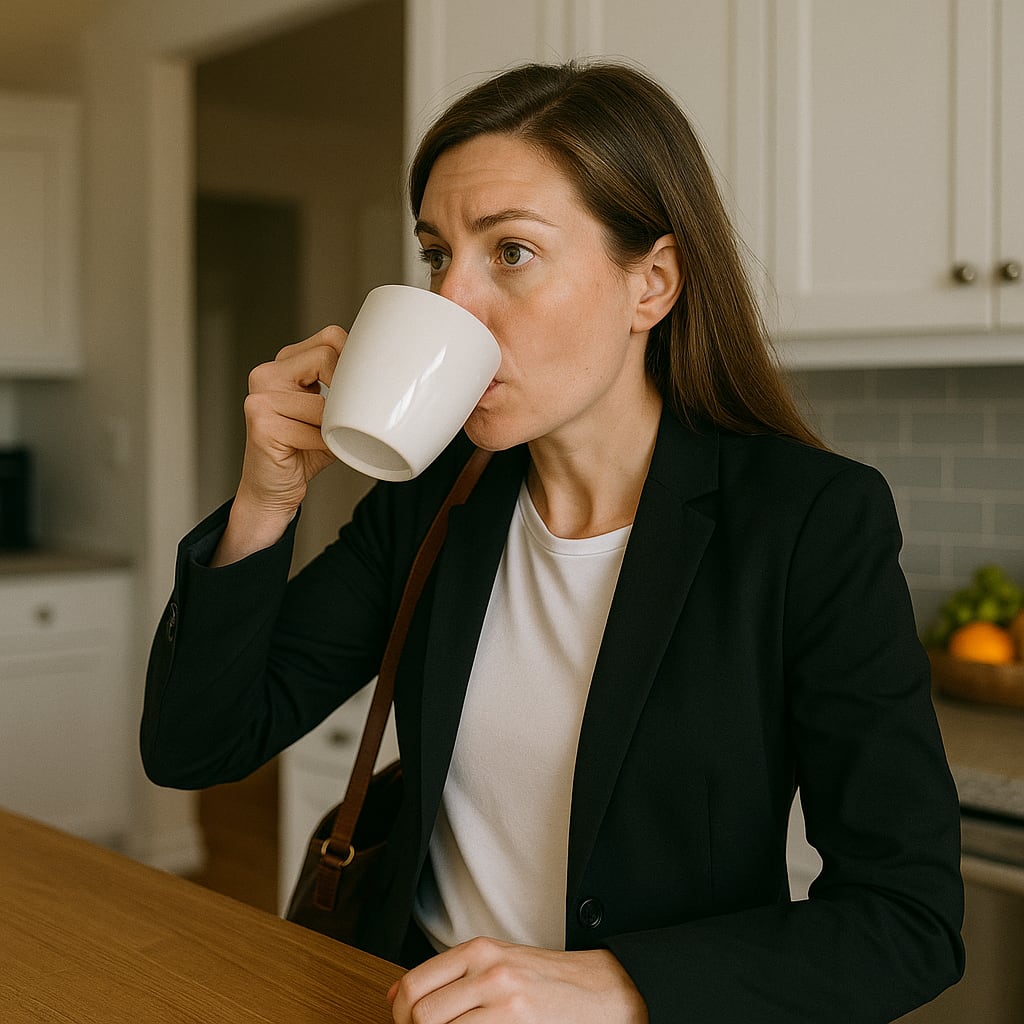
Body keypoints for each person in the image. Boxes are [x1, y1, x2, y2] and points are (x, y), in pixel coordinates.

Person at [142, 61, 965, 1022]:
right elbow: (196, 745)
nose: (457, 301)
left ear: (650, 283)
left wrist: (616, 984)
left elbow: (908, 918)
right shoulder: (438, 497)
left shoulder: (807, 519)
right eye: (437, 254)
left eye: (513, 254)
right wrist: (264, 500)